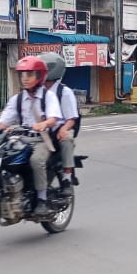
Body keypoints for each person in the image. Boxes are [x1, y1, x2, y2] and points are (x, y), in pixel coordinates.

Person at [0, 56, 62, 216]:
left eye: (30, 74)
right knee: (0, 157)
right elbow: (3, 123)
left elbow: (54, 118)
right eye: (22, 74)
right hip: (20, 139)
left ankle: (42, 200)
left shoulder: (48, 97)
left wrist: (44, 124)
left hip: (41, 139)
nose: (25, 78)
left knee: (36, 160)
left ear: (39, 76)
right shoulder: (17, 99)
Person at [38, 51, 79, 196]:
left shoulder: (64, 92)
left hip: (58, 131)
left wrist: (64, 129)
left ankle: (66, 178)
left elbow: (71, 118)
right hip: (40, 132)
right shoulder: (36, 91)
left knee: (66, 140)